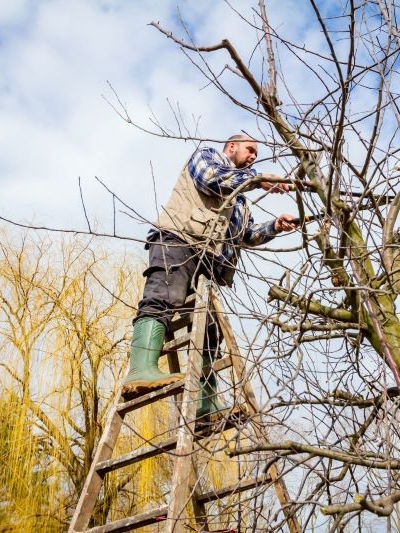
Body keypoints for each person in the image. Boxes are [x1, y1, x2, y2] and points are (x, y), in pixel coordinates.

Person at [121, 134, 298, 417]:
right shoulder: (208, 156)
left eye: (256, 154)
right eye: (250, 150)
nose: (253, 156)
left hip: (207, 264)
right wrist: (258, 178)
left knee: (210, 331)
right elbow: (211, 180)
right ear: (232, 147)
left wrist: (275, 226)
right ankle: (140, 370)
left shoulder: (240, 201)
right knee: (163, 297)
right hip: (178, 241)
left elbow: (246, 235)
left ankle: (205, 404)